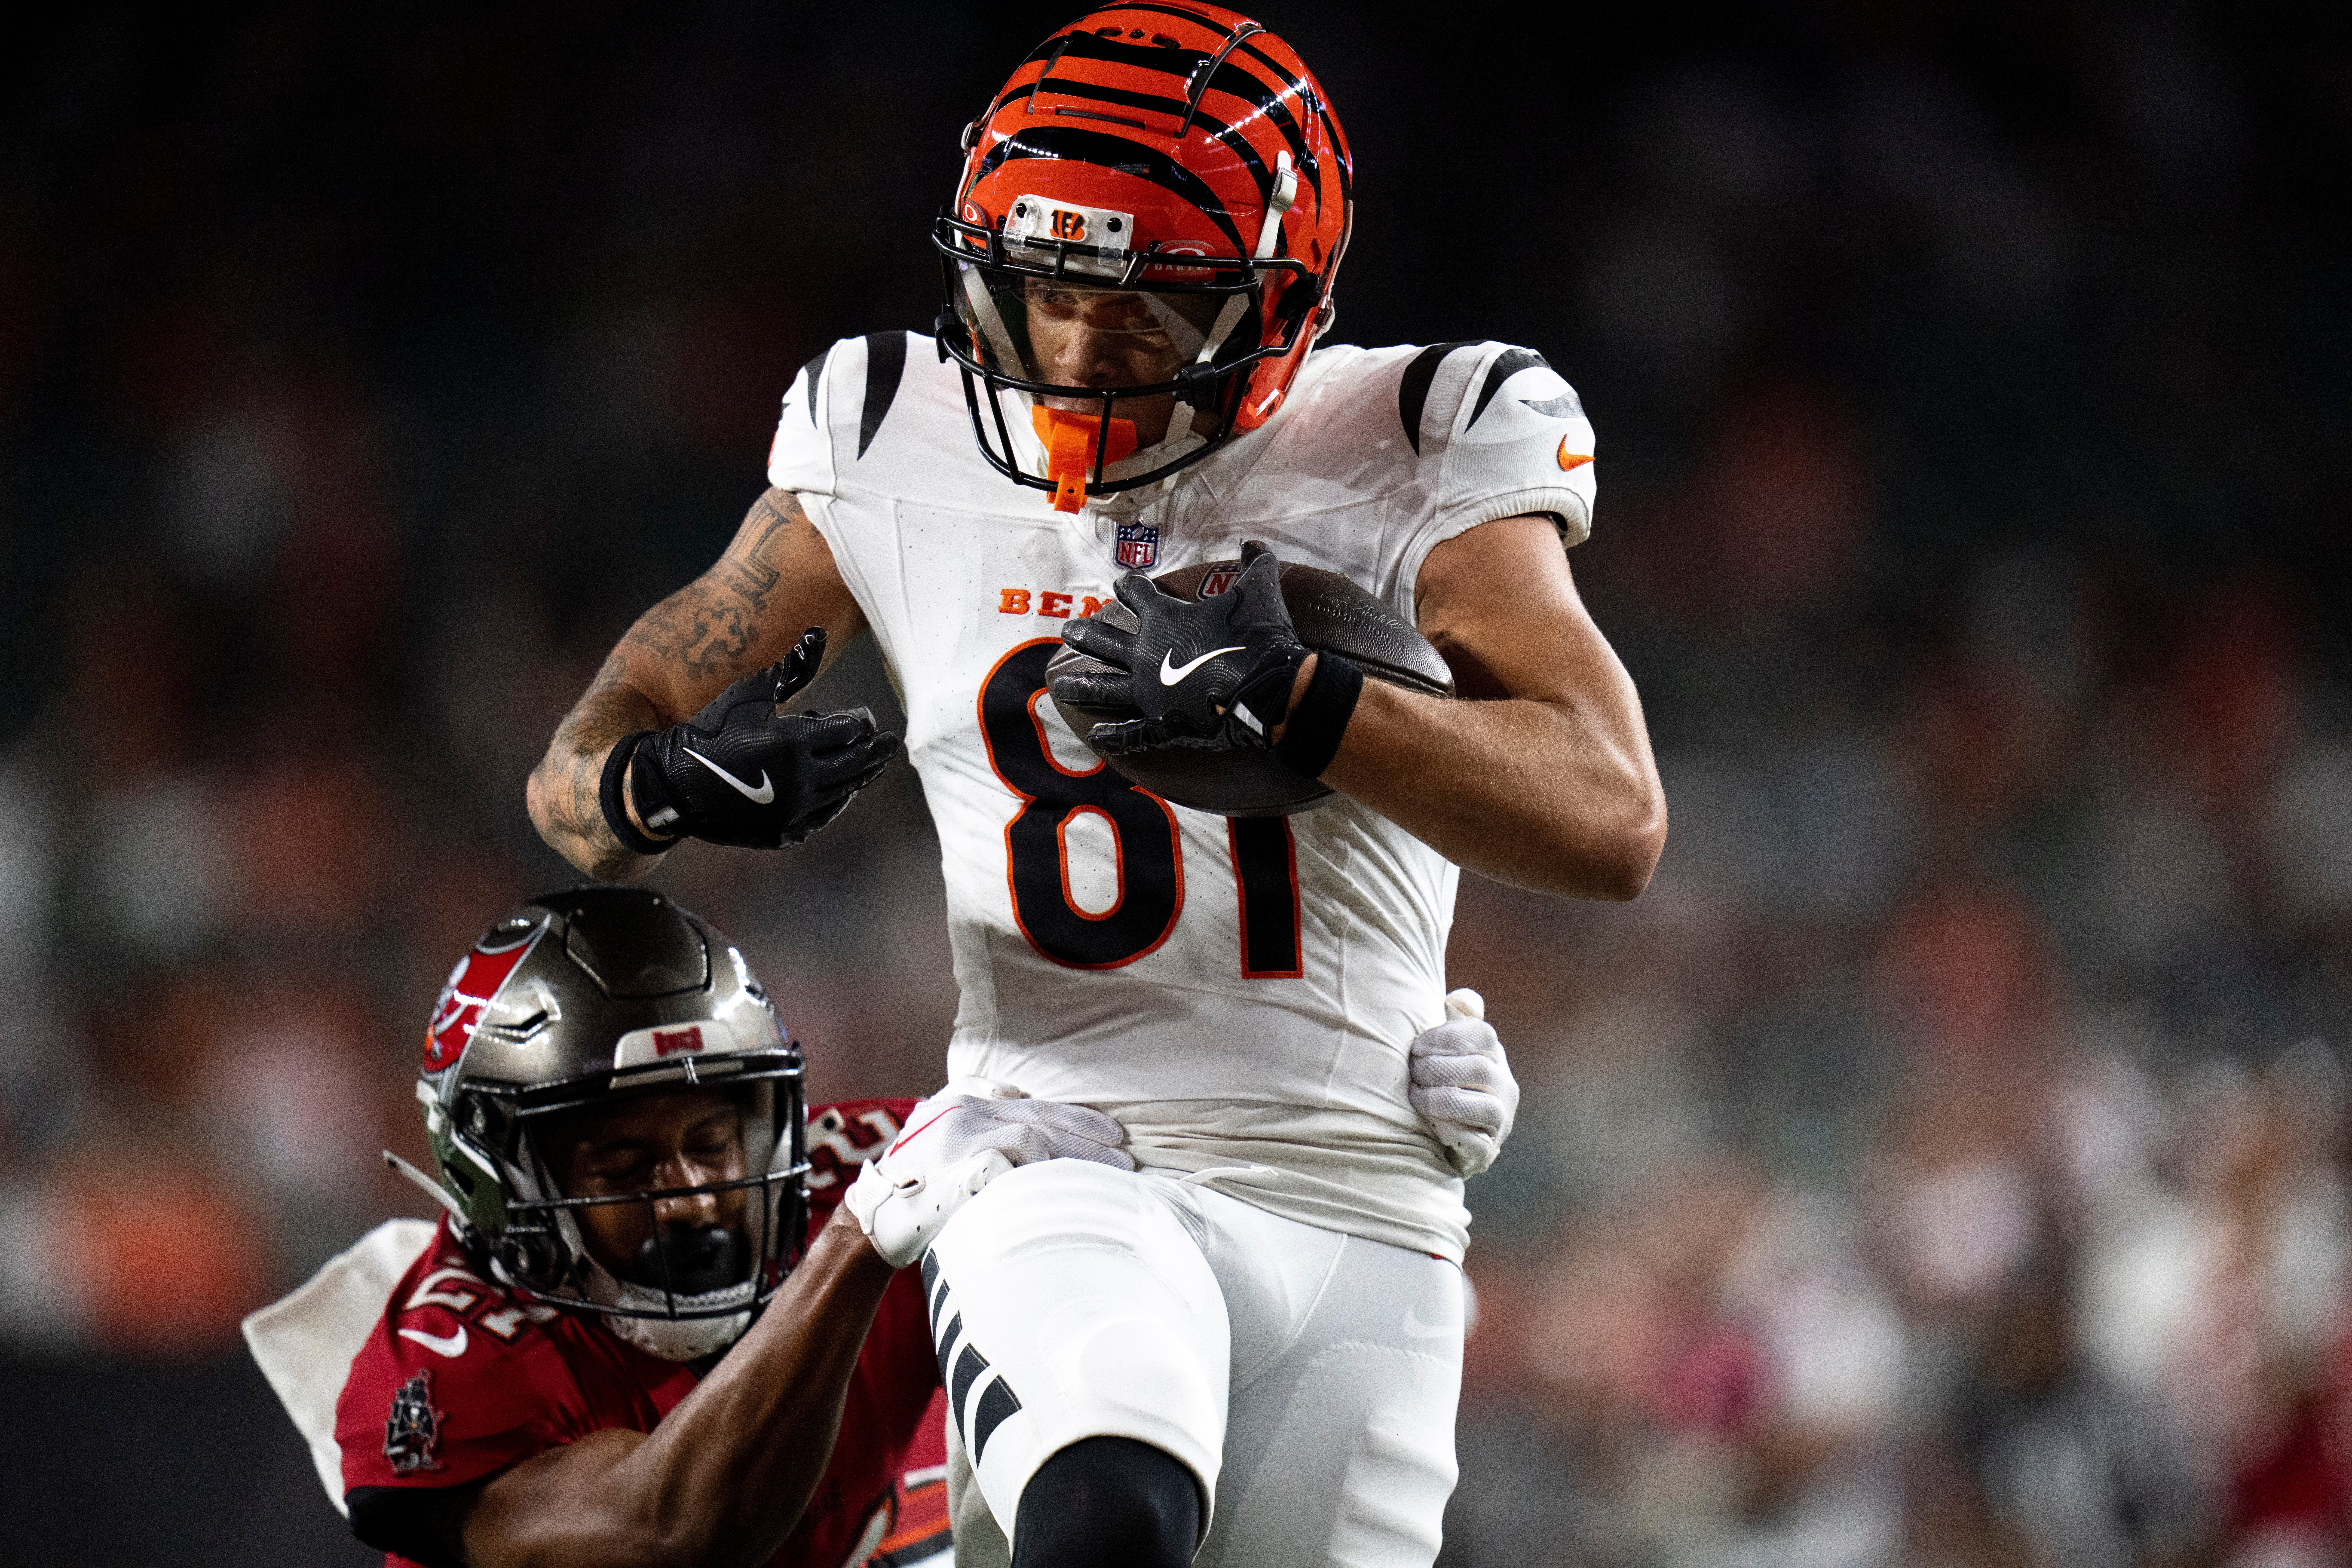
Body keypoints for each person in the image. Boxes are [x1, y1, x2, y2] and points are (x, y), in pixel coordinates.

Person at [525, 5, 1663, 1563]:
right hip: (1059, 1148)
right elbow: (576, 776)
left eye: (1145, 310)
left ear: (1282, 303)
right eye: (1042, 289)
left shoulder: (1420, 436)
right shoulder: (887, 429)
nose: (1071, 349)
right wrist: (657, 784)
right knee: (1107, 1518)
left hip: (1365, 1192)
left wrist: (1306, 699)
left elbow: (1613, 821)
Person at [244, 885, 1132, 1568]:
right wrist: (863, 1237)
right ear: (496, 1182)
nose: (694, 1199)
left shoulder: (860, 1169)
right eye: (625, 1169)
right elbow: (670, 1540)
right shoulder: (451, 1362)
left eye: (715, 1140)